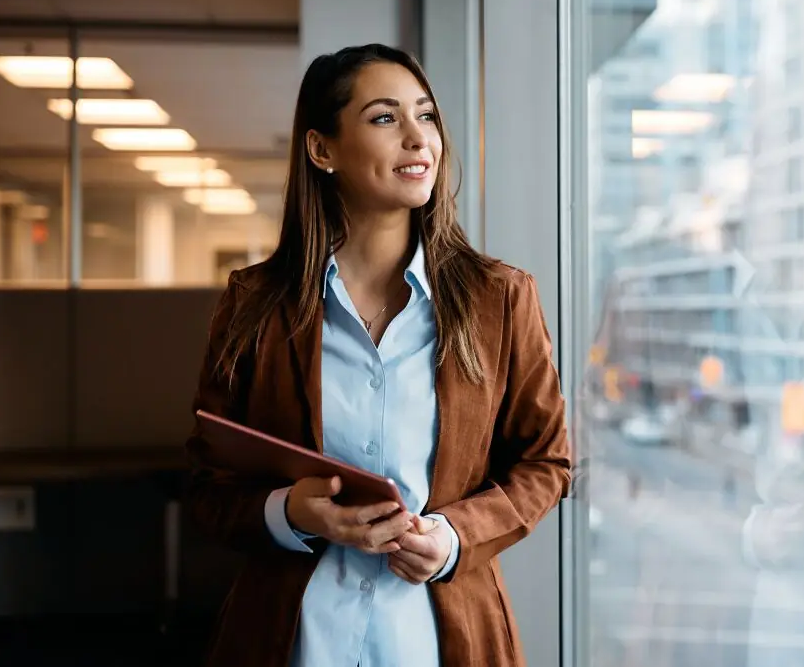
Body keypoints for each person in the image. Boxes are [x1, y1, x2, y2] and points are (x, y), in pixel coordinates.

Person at [184, 43, 571, 667]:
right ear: (322, 150)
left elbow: (546, 463)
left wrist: (451, 538)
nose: (420, 139)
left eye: (427, 116)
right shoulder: (254, 304)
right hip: (294, 639)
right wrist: (291, 512)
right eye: (386, 118)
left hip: (442, 641)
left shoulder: (500, 299)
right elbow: (208, 486)